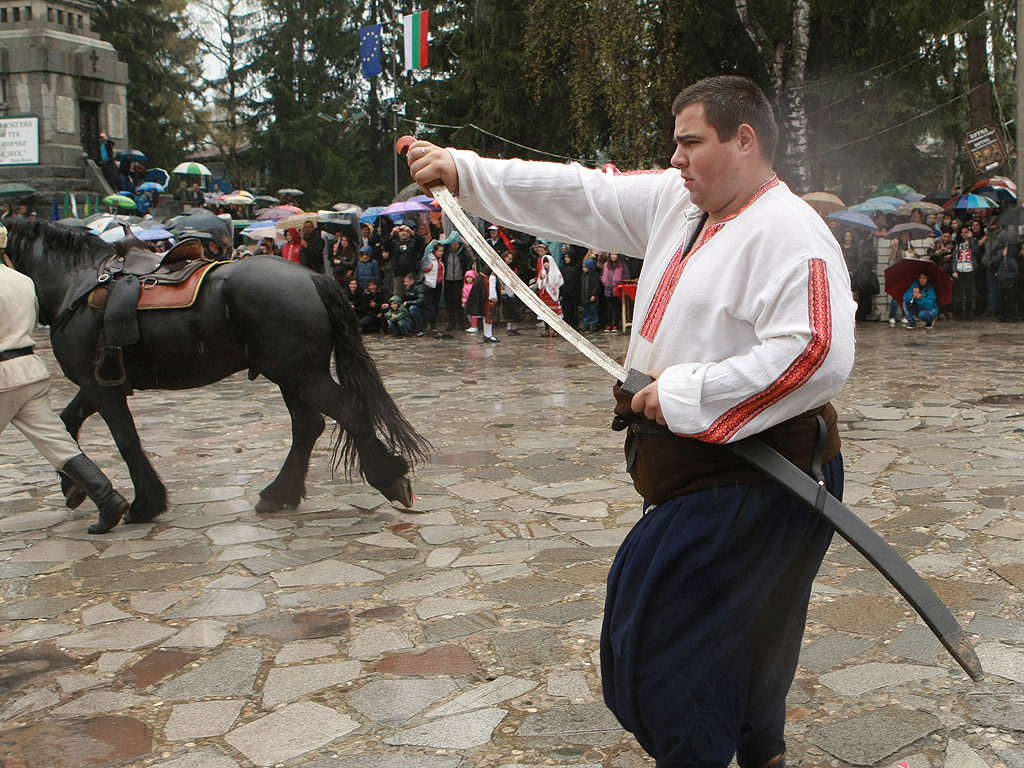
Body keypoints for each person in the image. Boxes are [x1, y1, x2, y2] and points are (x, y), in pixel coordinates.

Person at [406, 75, 856, 768]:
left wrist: (688, 395)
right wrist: (465, 170)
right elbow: (586, 193)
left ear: (745, 140)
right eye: (674, 143)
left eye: (690, 141)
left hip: (759, 482)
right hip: (706, 477)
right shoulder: (678, 203)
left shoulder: (791, 233)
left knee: (663, 654)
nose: (674, 158)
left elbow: (817, 348)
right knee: (743, 635)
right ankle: (762, 754)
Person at [0, 230, 130, 535]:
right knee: (58, 444)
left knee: (57, 443)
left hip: (3, 374)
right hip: (29, 371)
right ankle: (107, 498)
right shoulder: (22, 280)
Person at [952, 224, 978, 320]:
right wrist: (954, 270)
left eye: (966, 232)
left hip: (969, 269)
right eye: (962, 232)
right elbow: (954, 257)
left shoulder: (973, 241)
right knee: (958, 293)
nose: (964, 234)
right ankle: (958, 313)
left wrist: (971, 239)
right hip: (959, 268)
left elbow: (976, 250)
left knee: (969, 292)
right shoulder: (957, 244)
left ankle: (968, 313)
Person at [534, 252, 564, 338]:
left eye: (547, 262)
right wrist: (542, 281)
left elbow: (560, 281)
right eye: (544, 262)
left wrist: (553, 286)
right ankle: (547, 330)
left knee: (554, 314)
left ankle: (555, 330)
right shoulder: (542, 273)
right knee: (546, 314)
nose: (546, 264)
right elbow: (539, 283)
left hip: (552, 296)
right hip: (545, 295)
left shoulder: (555, 272)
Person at [601, 252, 631, 331]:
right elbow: (602, 274)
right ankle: (608, 324)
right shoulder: (606, 264)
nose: (613, 256)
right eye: (612, 254)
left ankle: (615, 324)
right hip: (607, 288)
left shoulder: (621, 264)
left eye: (615, 254)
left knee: (616, 307)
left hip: (616, 288)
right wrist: (604, 280)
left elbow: (627, 274)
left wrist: (620, 279)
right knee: (608, 307)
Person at [401, 272, 430, 337]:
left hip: (426, 310)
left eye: (406, 281)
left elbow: (421, 301)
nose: (404, 284)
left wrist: (408, 303)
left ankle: (421, 330)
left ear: (411, 281)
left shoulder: (420, 288)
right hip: (416, 308)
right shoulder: (407, 289)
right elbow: (403, 299)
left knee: (413, 308)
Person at [580, 256, 602, 331]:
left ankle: (595, 324)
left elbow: (597, 286)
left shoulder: (595, 276)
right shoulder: (583, 276)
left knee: (593, 310)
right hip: (585, 297)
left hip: (592, 297)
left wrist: (594, 294)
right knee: (586, 311)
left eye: (585, 267)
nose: (584, 269)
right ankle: (587, 324)